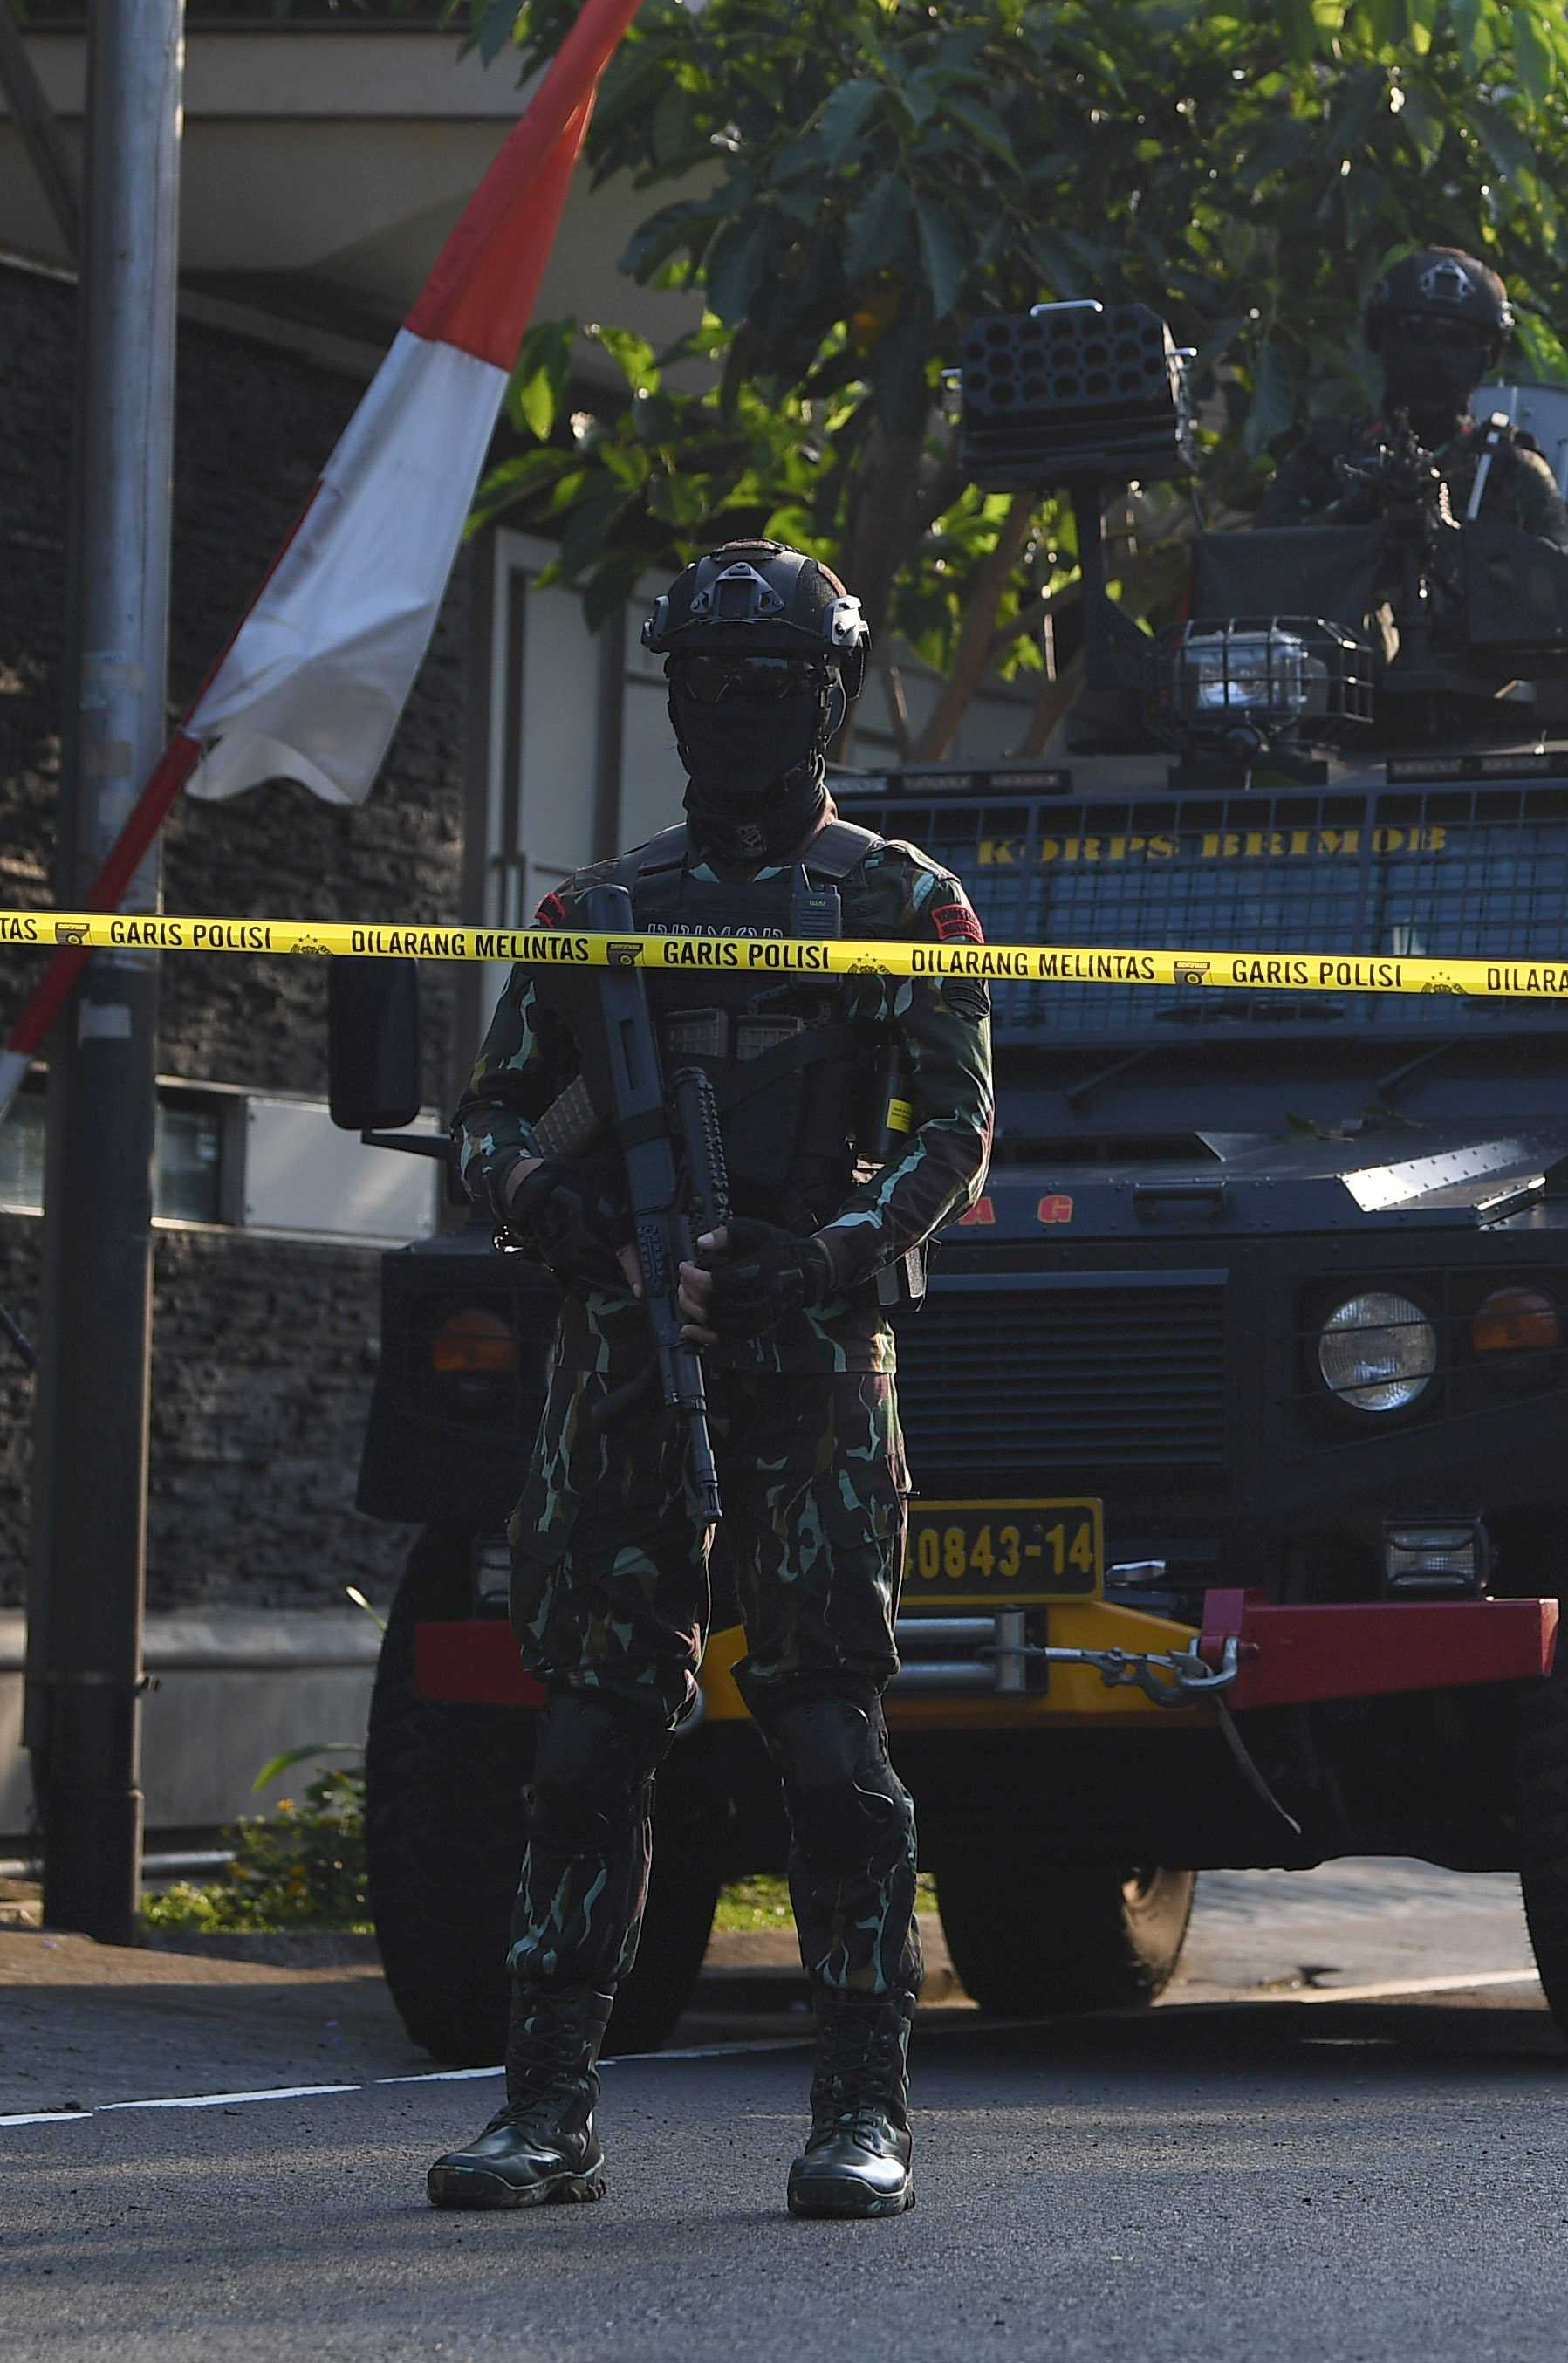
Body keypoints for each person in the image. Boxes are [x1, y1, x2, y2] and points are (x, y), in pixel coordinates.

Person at [424, 543, 994, 2224]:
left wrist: (820, 1256)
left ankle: (861, 2106)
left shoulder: (903, 903)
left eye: (773, 683)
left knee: (826, 1738)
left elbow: (956, 1134)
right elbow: (487, 1118)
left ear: (829, 699)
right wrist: (559, 1208)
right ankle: (546, 2109)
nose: (738, 710)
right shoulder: (600, 913)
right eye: (708, 681)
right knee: (587, 1740)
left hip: (813, 1361)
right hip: (621, 1354)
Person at [1255, 245, 1568, 551]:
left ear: (1488, 355)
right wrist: (1344, 516)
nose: (1434, 356)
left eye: (1457, 338)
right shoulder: (1326, 458)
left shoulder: (1511, 471)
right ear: (1380, 338)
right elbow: (1261, 564)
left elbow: (1558, 579)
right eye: (1415, 332)